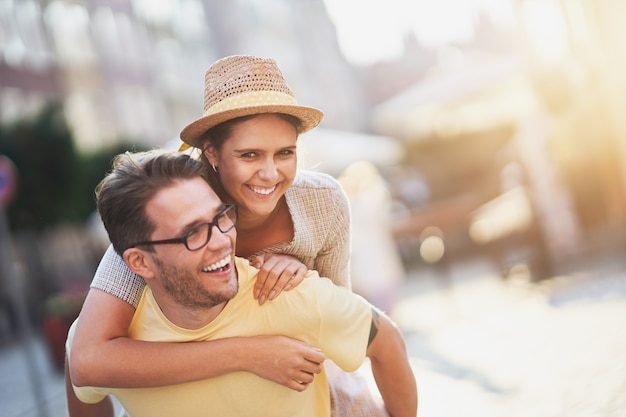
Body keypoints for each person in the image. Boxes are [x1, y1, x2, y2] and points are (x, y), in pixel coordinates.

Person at [69, 55, 380, 413]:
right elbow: (86, 360)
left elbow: (344, 317)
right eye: (249, 154)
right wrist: (248, 354)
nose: (269, 173)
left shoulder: (322, 201)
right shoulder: (164, 214)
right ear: (212, 153)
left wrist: (301, 274)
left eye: (285, 153)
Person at [65, 150, 417, 417]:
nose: (221, 239)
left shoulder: (287, 295)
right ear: (139, 263)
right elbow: (82, 373)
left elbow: (387, 341)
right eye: (192, 232)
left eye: (220, 216)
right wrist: (249, 354)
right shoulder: (109, 338)